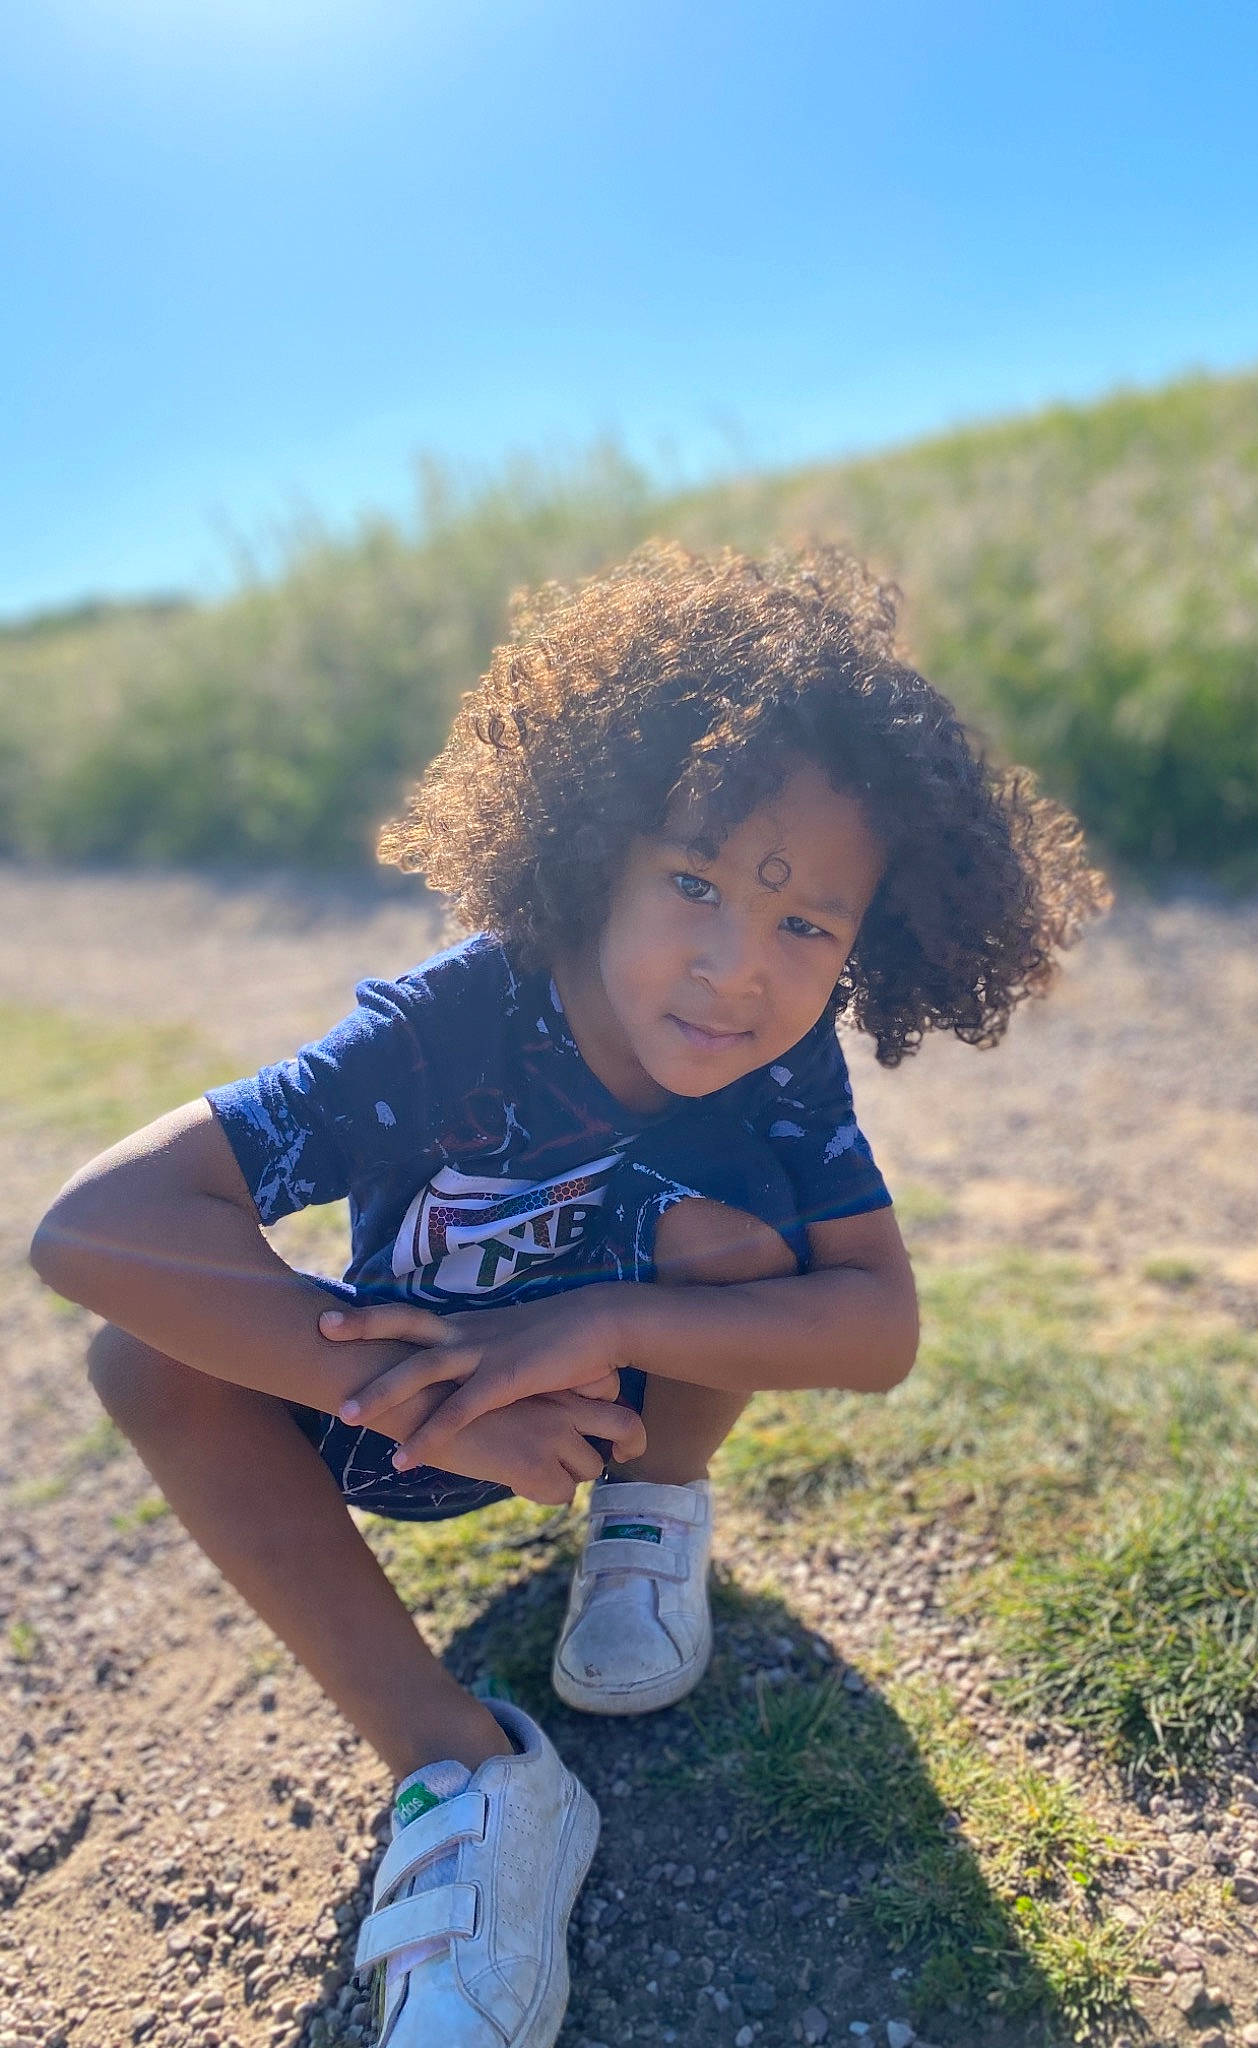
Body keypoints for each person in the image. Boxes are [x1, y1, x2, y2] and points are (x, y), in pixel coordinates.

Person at [31, 541, 1108, 2048]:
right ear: (593, 848)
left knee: (740, 1242)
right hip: (407, 1416)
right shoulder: (452, 1022)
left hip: (606, 1414)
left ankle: (651, 1518)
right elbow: (89, 1228)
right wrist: (414, 1396)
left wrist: (597, 1325)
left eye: (807, 925)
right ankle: (470, 1772)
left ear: (871, 942)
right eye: (694, 883)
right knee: (139, 1360)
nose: (735, 970)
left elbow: (879, 1327)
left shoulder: (784, 1061)